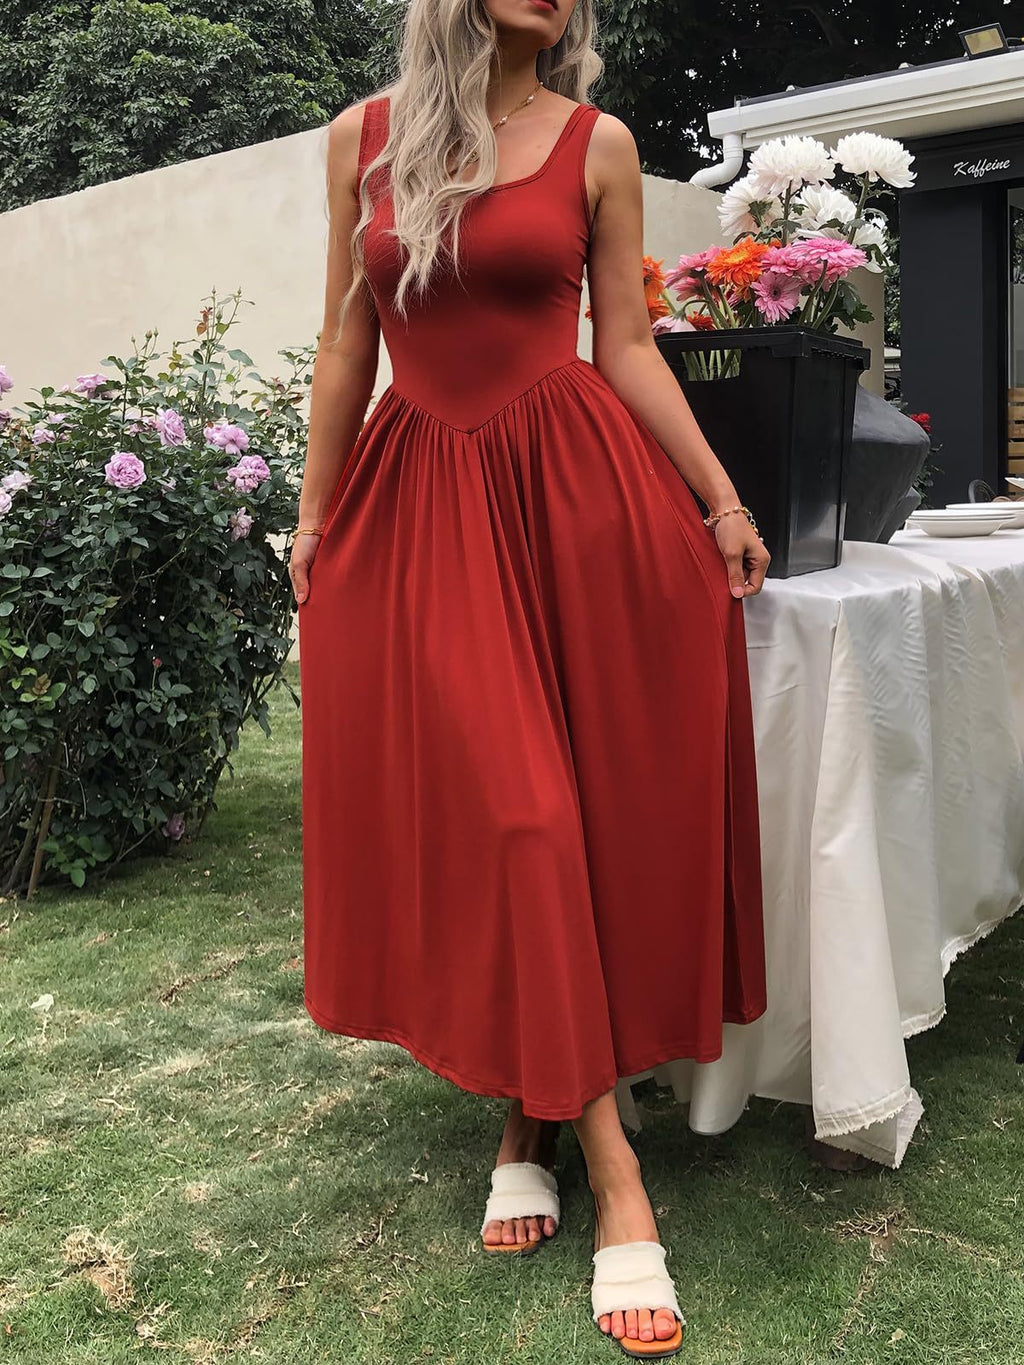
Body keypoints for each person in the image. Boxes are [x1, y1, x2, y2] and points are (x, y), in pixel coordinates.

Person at [292, 0, 770, 1355]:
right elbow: (346, 341)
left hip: (566, 498)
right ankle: (618, 1176)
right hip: (421, 503)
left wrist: (721, 498)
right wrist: (315, 519)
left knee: (581, 819)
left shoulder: (597, 143)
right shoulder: (363, 141)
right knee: (519, 818)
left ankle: (532, 1122)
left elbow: (626, 344)